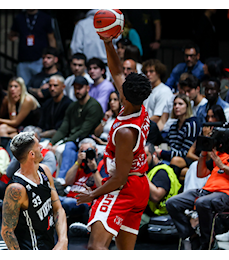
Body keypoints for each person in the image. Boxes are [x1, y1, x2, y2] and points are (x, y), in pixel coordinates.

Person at [75, 31, 152, 251]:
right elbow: (117, 70)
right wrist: (108, 42)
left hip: (123, 187)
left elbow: (119, 178)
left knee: (95, 247)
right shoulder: (139, 106)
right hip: (139, 186)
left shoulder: (126, 132)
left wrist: (92, 194)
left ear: (124, 95)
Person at [166, 120, 229, 250]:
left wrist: (223, 166)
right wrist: (203, 153)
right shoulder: (222, 153)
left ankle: (207, 242)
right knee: (173, 202)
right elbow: (201, 173)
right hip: (206, 192)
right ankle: (192, 236)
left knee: (203, 203)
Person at [1, 132, 68, 250]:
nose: (42, 147)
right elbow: (7, 231)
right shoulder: (16, 189)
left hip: (50, 243)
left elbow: (58, 209)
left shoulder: (44, 171)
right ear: (31, 154)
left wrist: (62, 240)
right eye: (38, 145)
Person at [47, 75, 103, 180]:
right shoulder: (73, 106)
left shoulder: (94, 106)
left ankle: (63, 179)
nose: (77, 91)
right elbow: (64, 127)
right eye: (75, 88)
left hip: (89, 138)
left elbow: (84, 130)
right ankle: (58, 180)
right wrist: (51, 143)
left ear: (87, 88)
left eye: (80, 88)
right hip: (74, 138)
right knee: (56, 147)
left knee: (66, 146)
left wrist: (63, 142)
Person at [61, 138, 104, 224]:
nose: (85, 154)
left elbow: (102, 188)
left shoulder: (101, 164)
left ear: (96, 151)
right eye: (82, 151)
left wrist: (94, 170)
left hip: (83, 202)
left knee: (66, 202)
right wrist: (77, 162)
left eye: (88, 151)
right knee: (51, 198)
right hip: (69, 197)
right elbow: (68, 181)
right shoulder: (79, 164)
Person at [156, 94, 200, 178]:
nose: (176, 107)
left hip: (188, 158)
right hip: (173, 155)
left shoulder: (192, 124)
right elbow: (169, 145)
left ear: (187, 106)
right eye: (175, 104)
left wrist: (162, 152)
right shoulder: (173, 125)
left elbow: (185, 152)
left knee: (174, 160)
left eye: (180, 104)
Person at [9, 9, 56, 85]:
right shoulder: (19, 18)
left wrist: (53, 56)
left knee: (40, 86)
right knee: (23, 87)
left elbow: (51, 37)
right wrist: (13, 36)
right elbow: (12, 34)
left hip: (40, 59)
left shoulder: (45, 18)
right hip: (23, 60)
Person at [140, 143, 181, 231]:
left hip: (157, 214)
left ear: (154, 155)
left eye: (145, 156)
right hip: (144, 211)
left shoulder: (161, 171)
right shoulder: (150, 171)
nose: (142, 161)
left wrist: (142, 174)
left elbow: (156, 196)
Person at [38, 75, 73, 139]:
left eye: (55, 85)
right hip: (45, 136)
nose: (52, 88)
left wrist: (39, 135)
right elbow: (41, 125)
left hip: (62, 137)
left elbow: (62, 130)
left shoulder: (69, 104)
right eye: (50, 85)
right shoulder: (47, 103)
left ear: (63, 87)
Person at [141, 59, 173, 127]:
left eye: (151, 71)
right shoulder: (147, 90)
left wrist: (139, 124)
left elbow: (157, 117)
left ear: (159, 73)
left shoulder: (164, 91)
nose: (148, 74)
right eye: (146, 72)